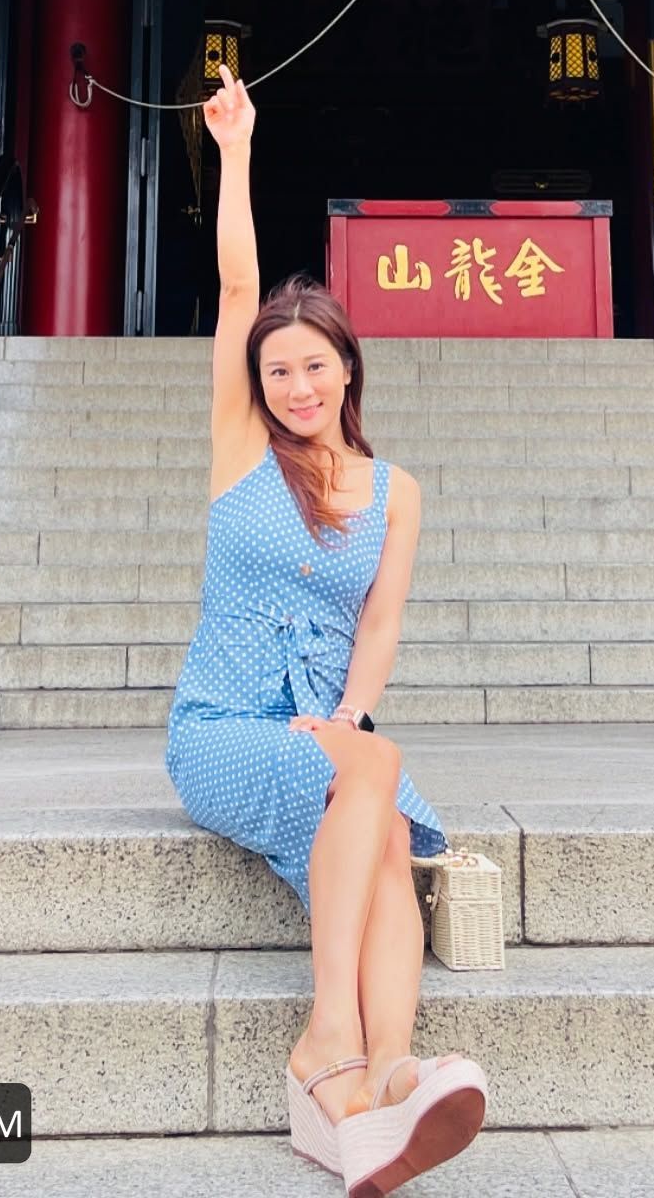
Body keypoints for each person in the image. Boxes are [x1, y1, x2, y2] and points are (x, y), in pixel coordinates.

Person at [165, 66, 488, 1196]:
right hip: (222, 729)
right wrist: (237, 152)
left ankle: (384, 1077)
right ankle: (327, 1041)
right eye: (277, 370)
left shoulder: (396, 491)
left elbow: (381, 621)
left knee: (385, 821)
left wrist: (347, 716)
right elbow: (238, 283)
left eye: (313, 365)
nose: (296, 385)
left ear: (347, 366)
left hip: (323, 729)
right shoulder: (240, 451)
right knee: (378, 774)